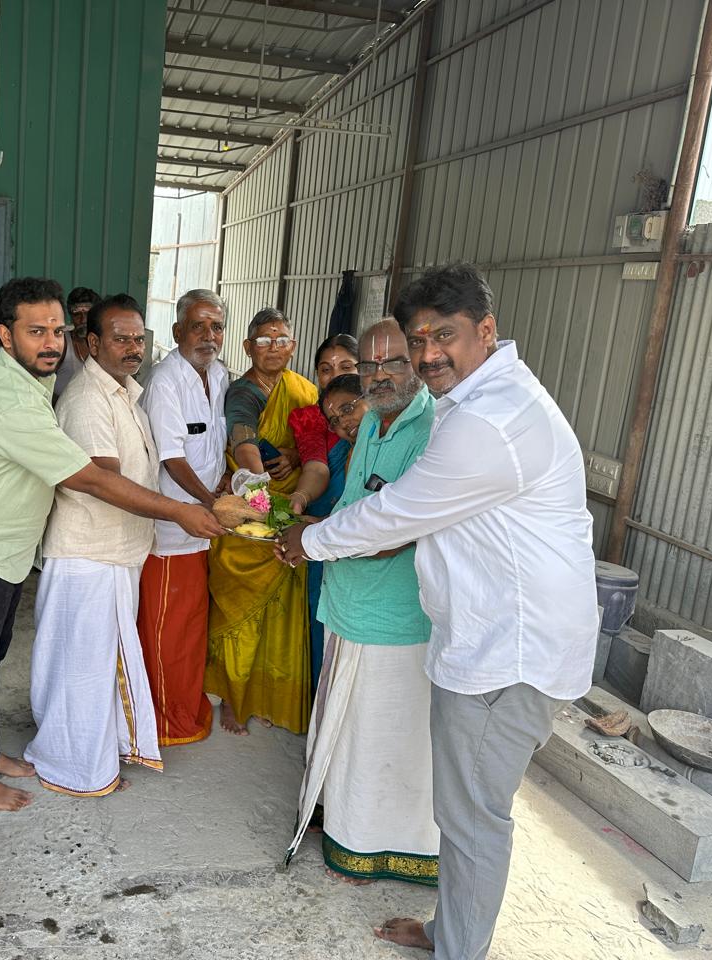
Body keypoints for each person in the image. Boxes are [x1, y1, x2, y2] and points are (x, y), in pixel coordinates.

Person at [278, 263, 598, 959]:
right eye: (416, 341)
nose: (426, 355)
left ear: (486, 331)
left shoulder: (493, 419)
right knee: (461, 810)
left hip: (510, 652)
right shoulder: (475, 402)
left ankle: (459, 948)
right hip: (484, 639)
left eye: (441, 337)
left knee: (475, 817)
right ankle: (452, 932)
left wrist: (307, 540)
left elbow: (394, 515)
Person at [0, 277, 223, 813]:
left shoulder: (32, 378)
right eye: (36, 331)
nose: (51, 342)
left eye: (56, 329)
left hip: (3, 549)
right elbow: (92, 478)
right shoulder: (12, 395)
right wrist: (181, 511)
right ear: (5, 336)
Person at [287, 319, 440, 889]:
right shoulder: (372, 421)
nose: (379, 377)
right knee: (348, 728)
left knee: (388, 737)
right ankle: (343, 832)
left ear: (419, 361)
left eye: (393, 363)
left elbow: (394, 530)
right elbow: (356, 503)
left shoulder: (433, 430)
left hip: (396, 616)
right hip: (349, 601)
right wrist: (313, 530)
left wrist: (307, 542)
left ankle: (382, 851)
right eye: (367, 367)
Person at [24, 294, 163, 796]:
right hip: (88, 554)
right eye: (121, 338)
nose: (132, 348)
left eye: (138, 339)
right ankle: (73, 767)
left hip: (117, 551)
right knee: (80, 669)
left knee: (98, 664)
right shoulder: (86, 400)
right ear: (92, 343)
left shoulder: (125, 393)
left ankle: (97, 754)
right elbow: (104, 482)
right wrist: (182, 514)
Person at [207, 307, 318, 735]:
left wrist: (294, 458)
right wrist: (257, 491)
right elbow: (244, 437)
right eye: (264, 340)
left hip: (291, 505)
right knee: (241, 613)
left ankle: (269, 695)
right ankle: (234, 700)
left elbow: (315, 442)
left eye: (282, 339)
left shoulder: (304, 391)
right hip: (248, 509)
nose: (273, 347)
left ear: (292, 346)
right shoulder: (243, 393)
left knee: (279, 613)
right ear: (248, 347)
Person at [136, 289, 229, 746]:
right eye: (198, 326)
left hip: (203, 529)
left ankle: (185, 711)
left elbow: (214, 447)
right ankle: (160, 723)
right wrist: (211, 501)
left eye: (216, 327)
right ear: (177, 332)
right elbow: (172, 457)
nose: (208, 336)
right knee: (165, 633)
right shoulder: (165, 381)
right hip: (170, 532)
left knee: (191, 630)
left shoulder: (221, 375)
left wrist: (228, 487)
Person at [287, 334, 358, 692]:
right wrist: (299, 497)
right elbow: (318, 466)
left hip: (368, 536)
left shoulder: (377, 421)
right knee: (321, 614)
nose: (334, 376)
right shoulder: (313, 419)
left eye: (345, 367)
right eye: (325, 370)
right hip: (322, 531)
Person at [53, 286, 99, 401]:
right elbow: (44, 384)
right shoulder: (61, 342)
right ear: (70, 316)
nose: (83, 319)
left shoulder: (101, 344)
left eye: (87, 313)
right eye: (76, 313)